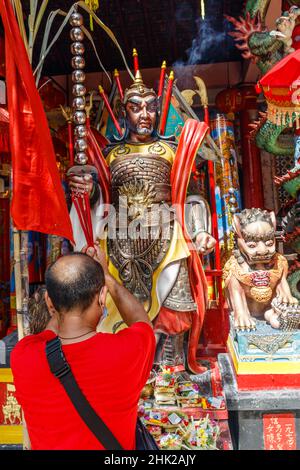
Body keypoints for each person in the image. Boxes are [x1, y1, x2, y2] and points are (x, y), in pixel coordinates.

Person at [69, 71, 216, 374]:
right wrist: (89, 189)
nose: (145, 114)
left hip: (167, 237)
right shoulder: (112, 153)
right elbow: (102, 194)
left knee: (175, 307)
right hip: (122, 240)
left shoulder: (171, 150)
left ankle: (169, 370)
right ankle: (131, 368)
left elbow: (190, 195)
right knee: (117, 308)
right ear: (125, 113)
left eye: (150, 106)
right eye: (136, 107)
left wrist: (200, 230)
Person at [10, 246, 155, 450]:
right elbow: (142, 322)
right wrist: (108, 279)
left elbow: (49, 334)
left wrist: (57, 305)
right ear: (102, 297)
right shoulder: (127, 352)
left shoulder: (23, 356)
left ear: (49, 302)